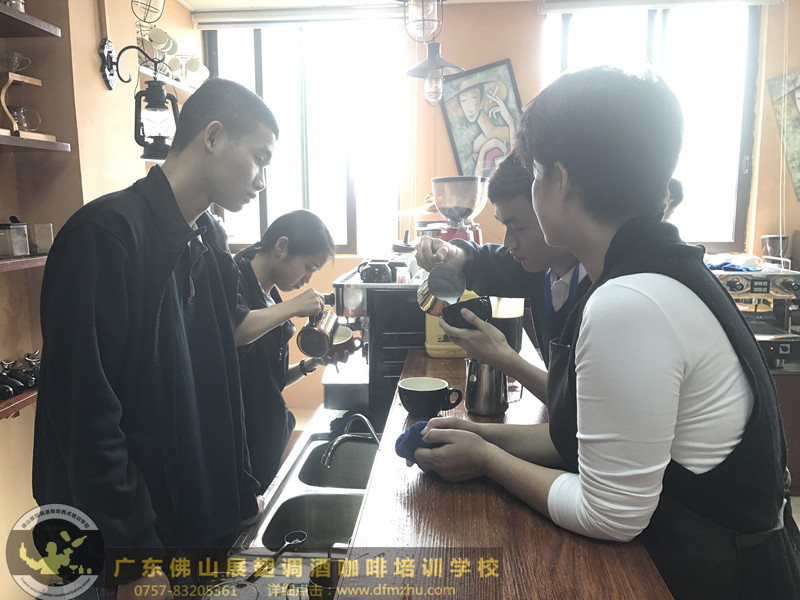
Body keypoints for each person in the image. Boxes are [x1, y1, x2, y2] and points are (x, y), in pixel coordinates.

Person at [411, 67, 800, 599]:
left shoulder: (629, 302)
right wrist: (477, 435)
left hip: (726, 579)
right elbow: (584, 439)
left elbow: (610, 513)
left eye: (536, 172)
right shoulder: (652, 272)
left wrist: (485, 460)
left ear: (559, 181)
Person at [33, 78, 280, 599]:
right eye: (259, 158)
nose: (262, 180)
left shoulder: (209, 238)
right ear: (213, 136)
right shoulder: (104, 235)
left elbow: (220, 381)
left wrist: (240, 492)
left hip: (193, 525)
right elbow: (85, 413)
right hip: (117, 544)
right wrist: (134, 557)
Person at [415, 151, 590, 400]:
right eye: (504, 226)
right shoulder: (540, 268)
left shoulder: (604, 293)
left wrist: (504, 358)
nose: (509, 242)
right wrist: (453, 254)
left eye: (518, 227)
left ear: (555, 208)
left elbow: (581, 405)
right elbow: (487, 262)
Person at [234, 210, 336, 493]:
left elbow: (271, 381)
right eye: (309, 266)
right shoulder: (233, 278)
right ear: (281, 246)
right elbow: (236, 332)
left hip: (268, 438)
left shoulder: (272, 295)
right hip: (242, 448)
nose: (307, 279)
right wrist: (293, 307)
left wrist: (310, 364)